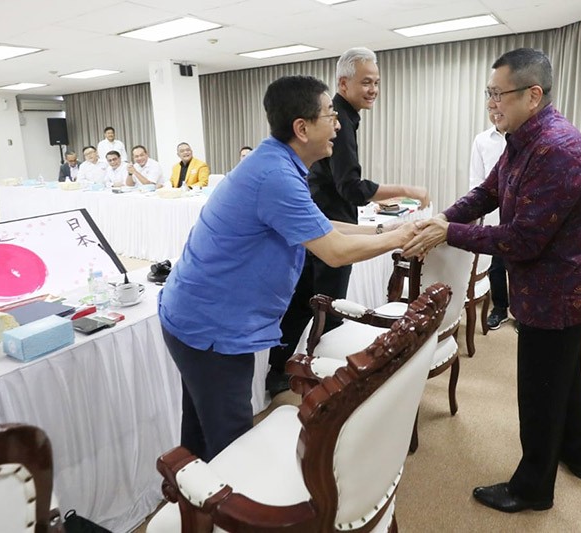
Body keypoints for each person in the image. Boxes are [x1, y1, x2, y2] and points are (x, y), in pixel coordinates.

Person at [157, 75, 417, 462]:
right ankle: (230, 513)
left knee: (200, 433)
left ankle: (194, 509)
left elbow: (320, 224)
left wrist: (385, 228)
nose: (338, 124)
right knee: (232, 445)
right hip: (211, 326)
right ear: (302, 127)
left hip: (197, 315)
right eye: (330, 114)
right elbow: (334, 251)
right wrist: (399, 239)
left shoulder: (278, 162)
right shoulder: (275, 175)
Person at [403, 48, 581, 513]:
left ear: (533, 95)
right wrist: (444, 219)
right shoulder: (521, 139)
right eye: (488, 94)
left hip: (556, 294)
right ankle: (578, 454)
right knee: (566, 376)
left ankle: (532, 488)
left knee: (539, 391)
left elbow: (523, 239)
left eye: (499, 95)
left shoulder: (556, 149)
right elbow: (488, 192)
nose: (492, 104)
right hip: (556, 287)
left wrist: (448, 232)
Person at [267, 47, 430, 396]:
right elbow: (350, 187)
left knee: (306, 299)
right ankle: (324, 380)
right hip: (326, 222)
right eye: (366, 82)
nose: (373, 89)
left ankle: (283, 368)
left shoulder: (341, 119)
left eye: (377, 82)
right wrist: (402, 200)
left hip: (326, 218)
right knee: (327, 304)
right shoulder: (328, 127)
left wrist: (384, 228)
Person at [468, 111, 511, 330]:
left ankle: (521, 314)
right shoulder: (482, 140)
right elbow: (476, 180)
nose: (496, 114)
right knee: (495, 264)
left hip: (519, 215)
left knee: (518, 266)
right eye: (492, 110)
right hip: (493, 213)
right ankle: (500, 308)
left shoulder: (524, 138)